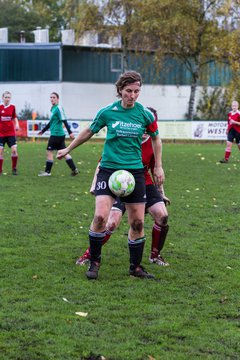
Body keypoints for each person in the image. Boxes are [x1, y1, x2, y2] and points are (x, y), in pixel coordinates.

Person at [57, 70, 164, 280]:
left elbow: (156, 139)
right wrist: (69, 149)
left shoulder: (145, 114)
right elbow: (89, 131)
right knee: (100, 217)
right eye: (128, 91)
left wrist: (158, 166)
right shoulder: (107, 112)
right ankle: (94, 261)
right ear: (120, 91)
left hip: (134, 173)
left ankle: (135, 267)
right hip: (109, 170)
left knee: (138, 223)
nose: (132, 95)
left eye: (136, 91)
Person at [76, 108, 170, 267]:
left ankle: (155, 255)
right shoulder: (125, 138)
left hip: (142, 183)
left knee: (162, 216)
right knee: (111, 222)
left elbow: (156, 171)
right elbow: (102, 162)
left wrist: (161, 193)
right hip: (118, 182)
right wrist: (94, 185)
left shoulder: (153, 145)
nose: (146, 129)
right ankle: (89, 254)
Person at [38, 92, 79, 176]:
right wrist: (43, 131)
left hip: (56, 134)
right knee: (64, 153)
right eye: (51, 97)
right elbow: (51, 122)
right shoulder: (53, 108)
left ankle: (47, 172)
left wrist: (70, 132)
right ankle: (74, 169)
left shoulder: (59, 108)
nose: (52, 99)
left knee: (49, 152)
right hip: (58, 135)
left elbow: (64, 120)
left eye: (54, 97)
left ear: (58, 99)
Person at [0, 91, 19, 175]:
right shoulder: (0, 107)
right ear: (2, 98)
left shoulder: (13, 107)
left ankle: (14, 169)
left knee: (14, 150)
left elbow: (14, 117)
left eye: (9, 97)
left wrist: (17, 125)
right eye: (6, 97)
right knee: (0, 151)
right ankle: (0, 170)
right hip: (1, 133)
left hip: (11, 133)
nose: (7, 99)